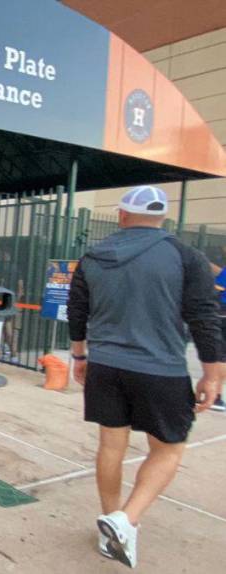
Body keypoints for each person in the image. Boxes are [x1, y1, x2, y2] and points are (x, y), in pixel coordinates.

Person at [67, 185, 222, 569]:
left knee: (111, 447)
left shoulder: (93, 256)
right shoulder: (186, 256)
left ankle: (112, 524)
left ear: (121, 216)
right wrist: (213, 375)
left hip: (105, 366)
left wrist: (80, 356)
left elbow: (77, 310)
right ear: (164, 218)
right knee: (169, 449)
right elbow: (204, 318)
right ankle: (125, 519)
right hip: (161, 370)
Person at [212, 260, 226, 411]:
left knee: (220, 356)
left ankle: (216, 394)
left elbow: (217, 288)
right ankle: (216, 394)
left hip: (222, 313)